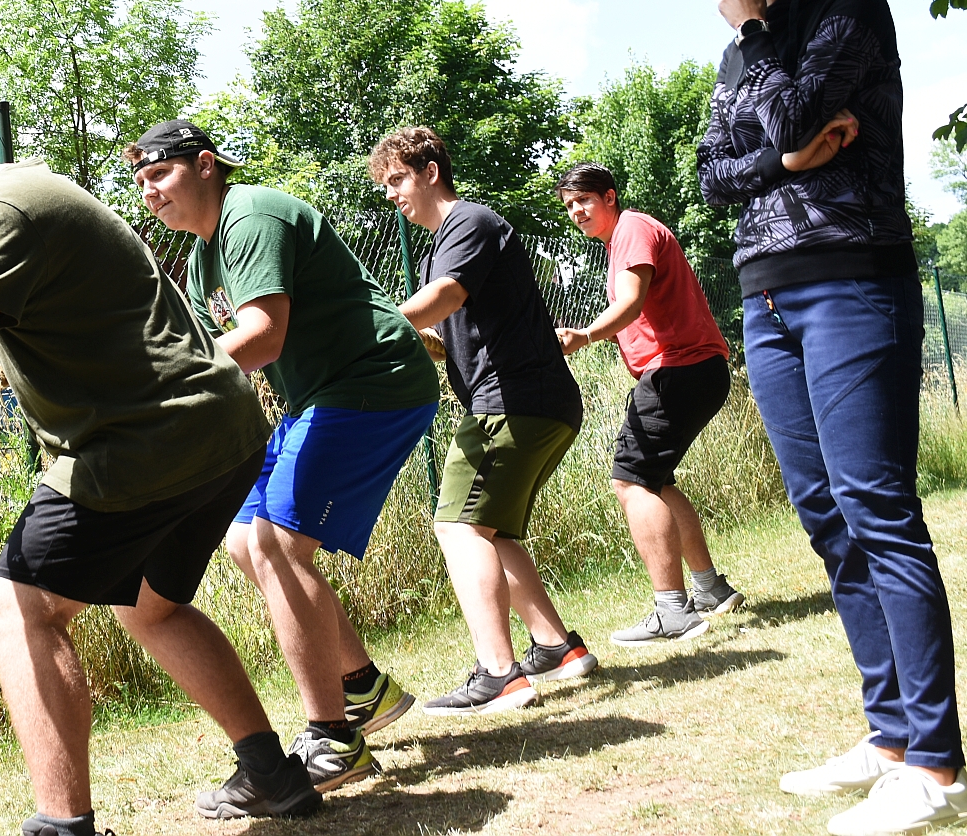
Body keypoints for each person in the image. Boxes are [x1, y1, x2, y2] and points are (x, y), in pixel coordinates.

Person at [0, 128, 319, 835]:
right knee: (151, 607)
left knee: (16, 607)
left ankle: (62, 826)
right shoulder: (24, 200)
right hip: (216, 429)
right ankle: (272, 774)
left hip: (142, 439)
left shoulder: (5, 204)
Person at [697, 0, 967, 834]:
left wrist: (757, 41)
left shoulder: (848, 6)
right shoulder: (744, 47)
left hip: (852, 278)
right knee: (826, 516)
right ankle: (890, 734)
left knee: (877, 509)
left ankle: (936, 766)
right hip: (765, 297)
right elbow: (713, 175)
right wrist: (783, 159)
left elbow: (800, 109)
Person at [128, 119, 438, 794]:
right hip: (316, 398)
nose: (148, 191)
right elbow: (220, 358)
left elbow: (261, 337)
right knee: (246, 540)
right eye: (141, 181)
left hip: (371, 383)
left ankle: (334, 740)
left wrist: (153, 386)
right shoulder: (205, 258)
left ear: (205, 165)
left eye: (160, 173)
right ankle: (362, 687)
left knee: (275, 543)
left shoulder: (251, 215)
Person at [368, 127, 596, 715]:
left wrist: (369, 331)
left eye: (397, 179)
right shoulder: (439, 249)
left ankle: (499, 675)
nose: (391, 194)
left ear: (430, 172)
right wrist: (400, 340)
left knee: (458, 528)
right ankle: (558, 649)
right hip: (536, 402)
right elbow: (444, 337)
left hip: (509, 401)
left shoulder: (468, 222)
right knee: (492, 531)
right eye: (386, 185)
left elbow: (445, 297)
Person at [552, 162, 744, 645]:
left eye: (584, 200)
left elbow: (631, 303)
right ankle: (710, 589)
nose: (577, 211)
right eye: (570, 205)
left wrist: (585, 335)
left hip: (678, 368)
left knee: (631, 481)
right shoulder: (623, 238)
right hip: (694, 369)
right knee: (654, 481)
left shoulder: (632, 230)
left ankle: (672, 611)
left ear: (609, 197)